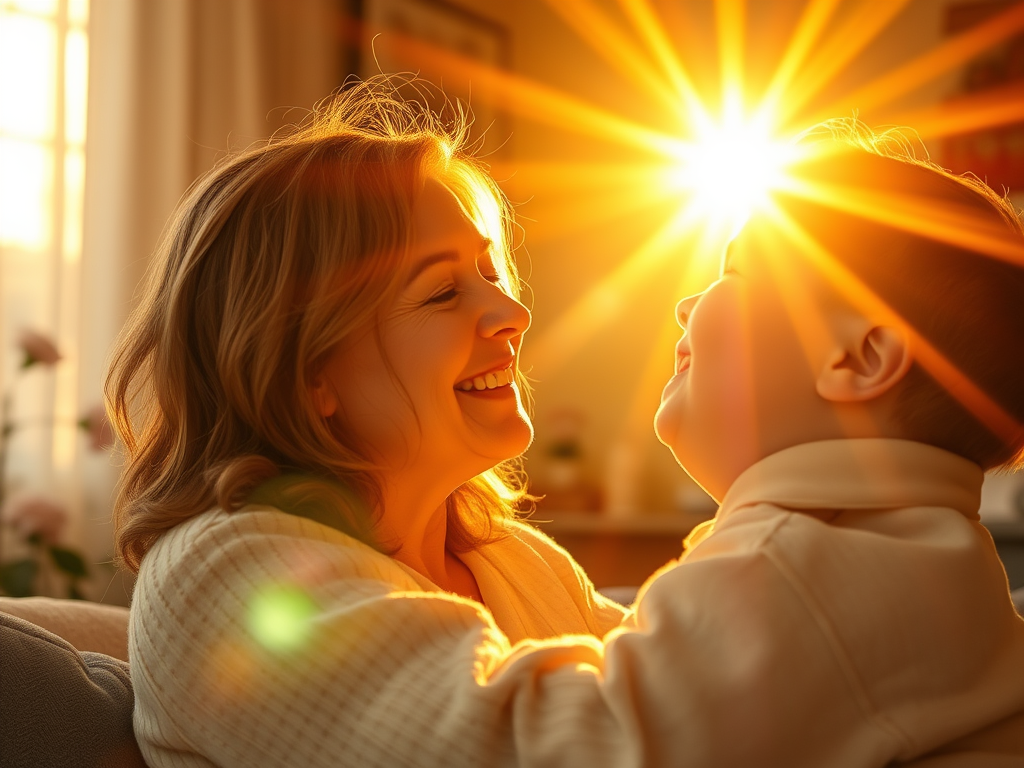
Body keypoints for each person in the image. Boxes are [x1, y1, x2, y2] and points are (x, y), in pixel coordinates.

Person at [109, 75, 1023, 767]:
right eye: (442, 292)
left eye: (493, 273)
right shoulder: (223, 577)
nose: (512, 315)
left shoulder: (519, 565)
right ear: (309, 371)